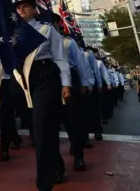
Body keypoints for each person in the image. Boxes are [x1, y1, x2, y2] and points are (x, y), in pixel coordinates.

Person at [13, 0, 71, 191]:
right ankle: (58, 165)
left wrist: (66, 83)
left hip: (46, 76)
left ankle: (44, 183)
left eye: (25, 7)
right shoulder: (14, 32)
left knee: (41, 128)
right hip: (25, 82)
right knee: (41, 131)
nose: (21, 10)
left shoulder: (47, 29)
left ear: (34, 10)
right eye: (18, 8)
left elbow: (59, 57)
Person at [51, 13, 87, 171]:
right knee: (52, 123)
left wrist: (85, 83)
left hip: (69, 80)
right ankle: (56, 166)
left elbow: (78, 63)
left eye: (51, 22)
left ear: (58, 23)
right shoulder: (40, 41)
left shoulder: (68, 42)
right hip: (50, 81)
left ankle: (79, 156)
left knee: (73, 120)